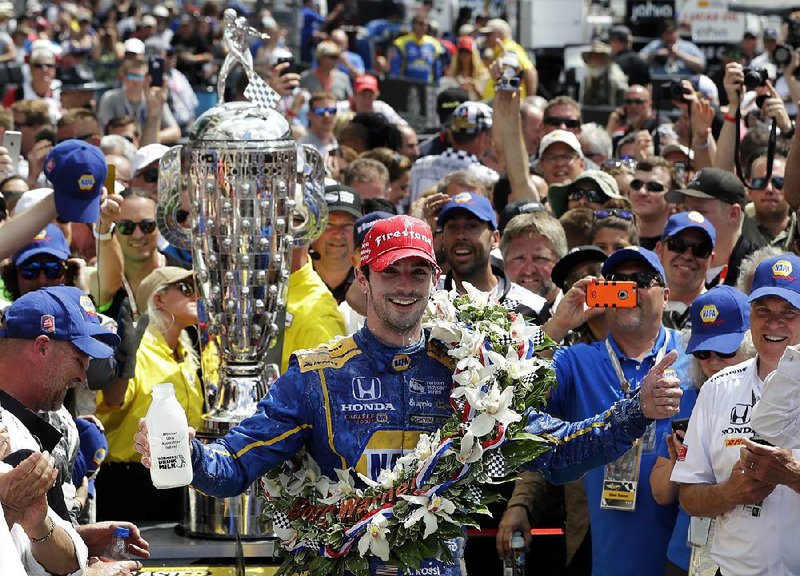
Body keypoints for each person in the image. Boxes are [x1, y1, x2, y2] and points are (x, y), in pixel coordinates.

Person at [134, 215, 683, 576]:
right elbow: (234, 466)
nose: (404, 284)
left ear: (435, 279)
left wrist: (635, 412)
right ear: (363, 277)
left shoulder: (470, 370)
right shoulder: (316, 376)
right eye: (390, 270)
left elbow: (557, 453)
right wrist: (184, 454)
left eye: (417, 272)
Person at [502, 247, 694, 576]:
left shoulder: (696, 354)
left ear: (666, 295)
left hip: (685, 559)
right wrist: (560, 322)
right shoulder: (576, 360)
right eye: (618, 281)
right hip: (610, 562)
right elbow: (510, 395)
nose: (629, 289)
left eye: (641, 280)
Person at [672, 254, 800, 575]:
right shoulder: (717, 388)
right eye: (763, 312)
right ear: (750, 318)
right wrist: (730, 493)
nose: (774, 324)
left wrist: (793, 476)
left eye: (789, 313)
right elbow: (689, 495)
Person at [650, 285, 753, 575]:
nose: (713, 362)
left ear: (750, 342)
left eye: (725, 350)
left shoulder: (773, 398)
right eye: (704, 353)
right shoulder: (688, 398)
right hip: (688, 557)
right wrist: (679, 458)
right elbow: (660, 493)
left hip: (750, 557)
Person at [95, 267, 201, 521]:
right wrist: (123, 367)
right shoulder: (137, 349)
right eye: (186, 289)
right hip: (130, 484)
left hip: (176, 477)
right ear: (159, 299)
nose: (197, 296)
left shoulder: (186, 354)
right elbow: (111, 401)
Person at [655, 211, 716, 330]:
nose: (688, 256)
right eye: (678, 245)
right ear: (659, 250)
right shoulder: (641, 306)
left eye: (700, 249)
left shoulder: (720, 314)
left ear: (711, 260)